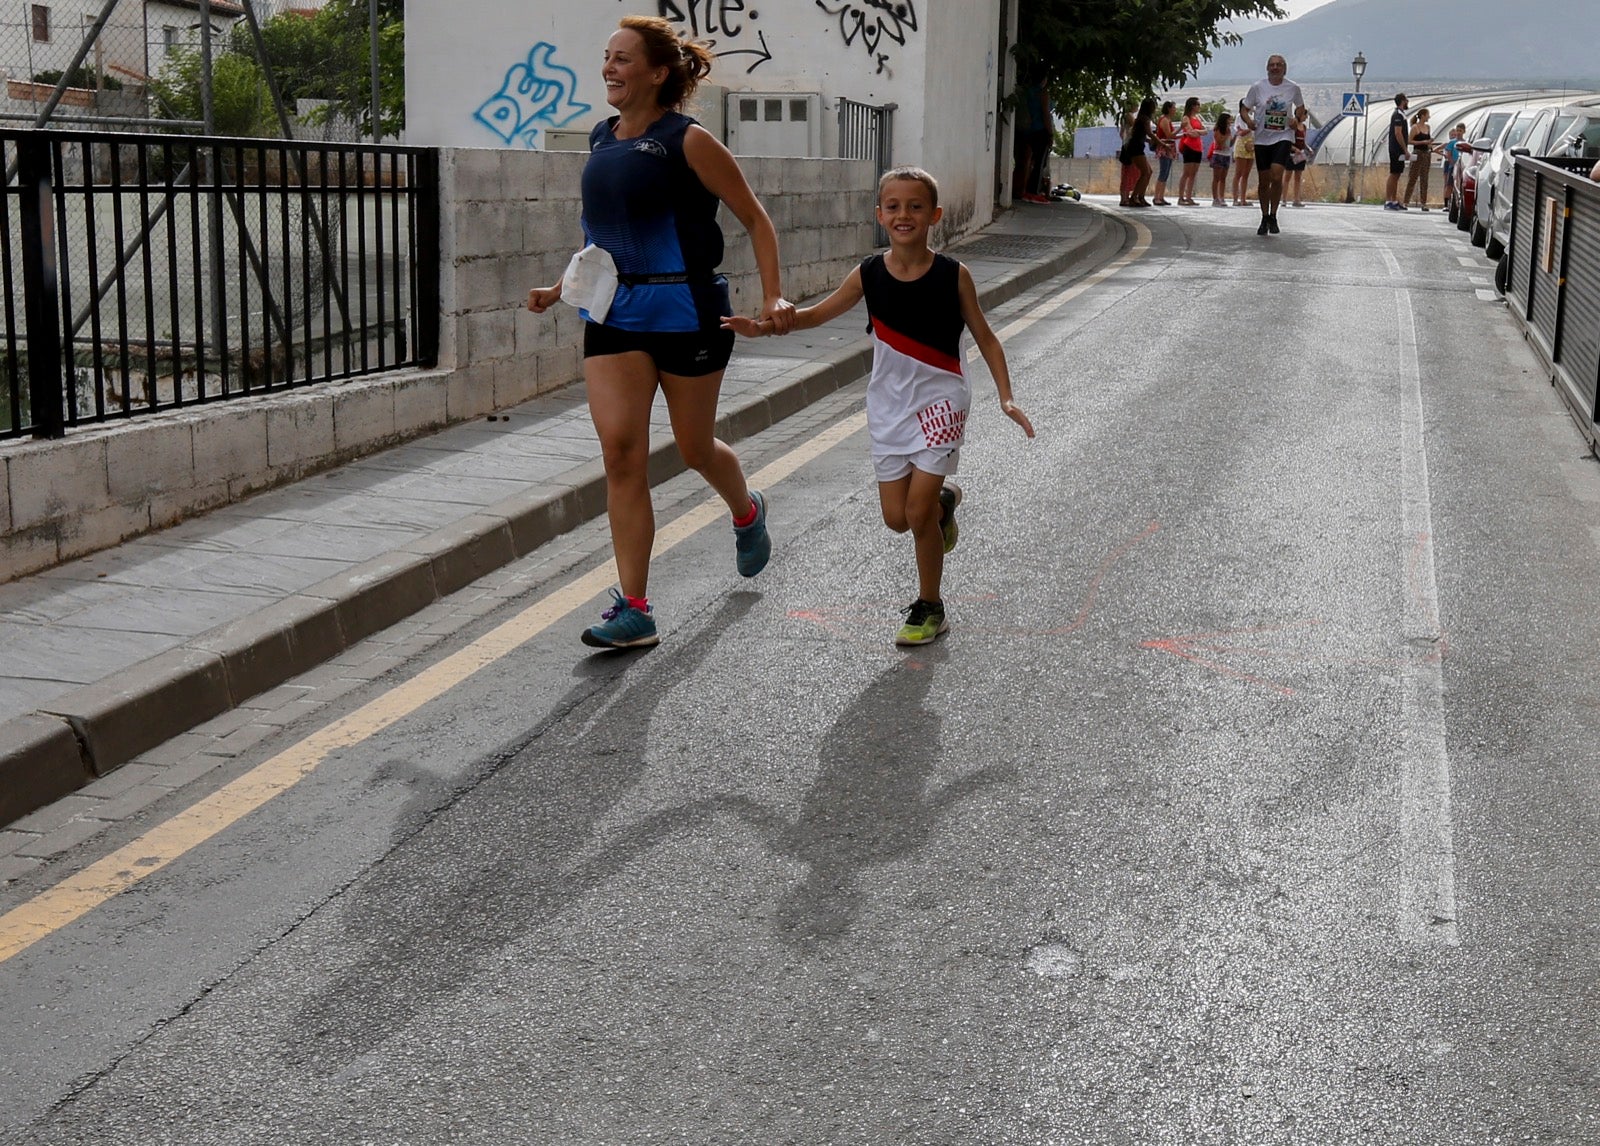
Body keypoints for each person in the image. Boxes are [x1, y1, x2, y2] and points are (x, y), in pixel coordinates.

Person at [526, 15, 794, 649]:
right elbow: (604, 236)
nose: (609, 69)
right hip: (615, 315)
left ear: (657, 72)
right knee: (621, 455)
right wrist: (564, 285)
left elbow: (755, 219)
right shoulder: (600, 137)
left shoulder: (688, 141)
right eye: (607, 57)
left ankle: (746, 509)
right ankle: (636, 607)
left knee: (695, 447)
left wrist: (775, 293)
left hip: (687, 312)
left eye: (622, 59)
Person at [722, 167, 1035, 647]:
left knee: (915, 511)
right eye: (893, 206)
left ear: (934, 215)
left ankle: (930, 605)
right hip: (888, 405)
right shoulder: (868, 274)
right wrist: (762, 328)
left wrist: (1007, 396)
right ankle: (943, 505)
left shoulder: (954, 275)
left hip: (941, 401)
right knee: (897, 518)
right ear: (879, 215)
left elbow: (986, 339)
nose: (903, 215)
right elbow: (815, 314)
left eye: (914, 206)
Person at [1239, 53, 1307, 235]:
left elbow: (1301, 108)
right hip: (1262, 138)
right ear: (1267, 68)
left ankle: (1274, 215)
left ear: (1284, 68)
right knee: (1264, 181)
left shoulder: (1293, 88)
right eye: (1272, 65)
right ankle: (1264, 216)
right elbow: (1244, 109)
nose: (1275, 68)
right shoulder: (1257, 87)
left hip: (1283, 137)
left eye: (1279, 65)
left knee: (1277, 177)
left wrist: (1297, 119)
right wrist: (1249, 122)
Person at [1120, 97, 1156, 207]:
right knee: (1137, 173)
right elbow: (1146, 132)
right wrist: (1160, 143)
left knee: (1145, 172)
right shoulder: (1132, 117)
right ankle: (1130, 197)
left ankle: (1138, 196)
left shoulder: (1138, 118)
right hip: (1132, 147)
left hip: (1134, 145)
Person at [1404, 107, 1438, 210]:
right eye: (1427, 115)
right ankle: (1406, 201)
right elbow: (1409, 141)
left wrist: (1430, 144)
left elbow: (1428, 140)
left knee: (1424, 179)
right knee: (1413, 178)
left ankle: (1424, 203)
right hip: (1418, 152)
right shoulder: (1415, 127)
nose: (1429, 117)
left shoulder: (1427, 127)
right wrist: (1422, 142)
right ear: (1423, 116)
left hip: (1426, 154)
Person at [1176, 97, 1206, 206]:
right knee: (1186, 172)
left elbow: (1205, 130)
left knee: (1193, 173)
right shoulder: (1186, 118)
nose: (1199, 107)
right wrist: (1198, 132)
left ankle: (1189, 197)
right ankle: (1181, 197)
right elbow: (1190, 133)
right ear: (1192, 106)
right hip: (1189, 146)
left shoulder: (1197, 118)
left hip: (1198, 147)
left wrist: (1198, 131)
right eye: (1197, 104)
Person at [1384, 93, 1411, 210]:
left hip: (1399, 149)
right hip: (1396, 149)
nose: (1408, 102)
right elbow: (1398, 133)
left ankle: (1394, 200)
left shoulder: (1401, 115)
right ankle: (1389, 200)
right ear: (1402, 101)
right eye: (1406, 100)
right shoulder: (1397, 115)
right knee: (1394, 173)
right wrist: (1405, 149)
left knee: (1397, 174)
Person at [1151, 100, 1178, 206]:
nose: (1175, 110)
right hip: (1164, 147)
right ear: (1169, 108)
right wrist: (1181, 127)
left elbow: (1173, 136)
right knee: (1163, 172)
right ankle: (1156, 197)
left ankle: (1161, 196)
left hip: (1169, 147)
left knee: (1166, 173)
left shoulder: (1168, 120)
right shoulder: (1164, 120)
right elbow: (1169, 135)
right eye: (1173, 108)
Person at [1231, 100, 1256, 206]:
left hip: (1251, 145)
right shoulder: (1239, 117)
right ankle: (1235, 199)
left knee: (1246, 174)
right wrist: (1250, 128)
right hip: (1242, 144)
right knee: (1238, 173)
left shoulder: (1252, 117)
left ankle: (1243, 199)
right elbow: (1240, 132)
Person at [1286, 105, 1310, 207]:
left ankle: (1296, 199)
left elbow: (1303, 141)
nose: (1306, 117)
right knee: (1287, 176)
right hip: (1291, 154)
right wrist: (1294, 149)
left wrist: (1308, 149)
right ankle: (1283, 198)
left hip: (1300, 155)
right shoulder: (1293, 125)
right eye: (1305, 115)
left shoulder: (1304, 127)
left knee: (1298, 177)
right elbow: (1288, 140)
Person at [1207, 112, 1233, 206]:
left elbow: (1229, 144)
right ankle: (1215, 198)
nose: (1231, 121)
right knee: (1216, 178)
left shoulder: (1229, 130)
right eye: (1229, 119)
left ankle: (1222, 197)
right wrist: (1226, 135)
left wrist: (1234, 137)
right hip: (1218, 154)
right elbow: (1219, 143)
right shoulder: (1218, 130)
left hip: (1226, 154)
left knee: (1223, 178)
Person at [1441, 122, 1467, 212]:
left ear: (1464, 131)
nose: (1458, 132)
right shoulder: (1452, 142)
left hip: (1462, 166)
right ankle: (1445, 204)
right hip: (1453, 166)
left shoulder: (1465, 142)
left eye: (1460, 131)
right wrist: (1452, 162)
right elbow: (1448, 153)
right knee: (1449, 185)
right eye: (1457, 130)